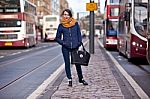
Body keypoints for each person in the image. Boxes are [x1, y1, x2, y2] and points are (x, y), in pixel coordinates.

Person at [55, 9, 88, 87]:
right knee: (67, 63)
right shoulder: (61, 25)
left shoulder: (75, 24)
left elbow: (79, 34)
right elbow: (57, 38)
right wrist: (63, 43)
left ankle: (81, 78)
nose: (65, 16)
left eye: (67, 14)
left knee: (77, 63)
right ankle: (69, 79)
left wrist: (79, 43)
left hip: (75, 47)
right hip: (65, 47)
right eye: (64, 14)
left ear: (70, 15)